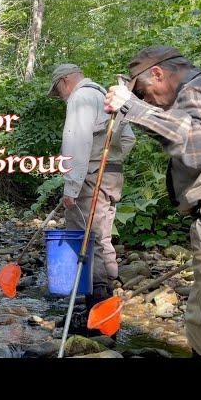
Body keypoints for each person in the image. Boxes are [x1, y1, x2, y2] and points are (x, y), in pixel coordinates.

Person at [105, 45, 201, 357]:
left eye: (141, 91)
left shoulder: (197, 90)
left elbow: (197, 147)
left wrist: (133, 108)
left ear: (158, 74)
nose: (144, 100)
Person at [48, 64, 135, 324]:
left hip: (90, 179)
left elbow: (75, 143)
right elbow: (129, 139)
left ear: (64, 81)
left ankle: (94, 311)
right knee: (102, 237)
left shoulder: (80, 97)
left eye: (58, 91)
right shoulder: (107, 97)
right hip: (112, 175)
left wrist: (71, 187)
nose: (61, 96)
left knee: (86, 238)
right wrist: (110, 162)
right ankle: (105, 309)